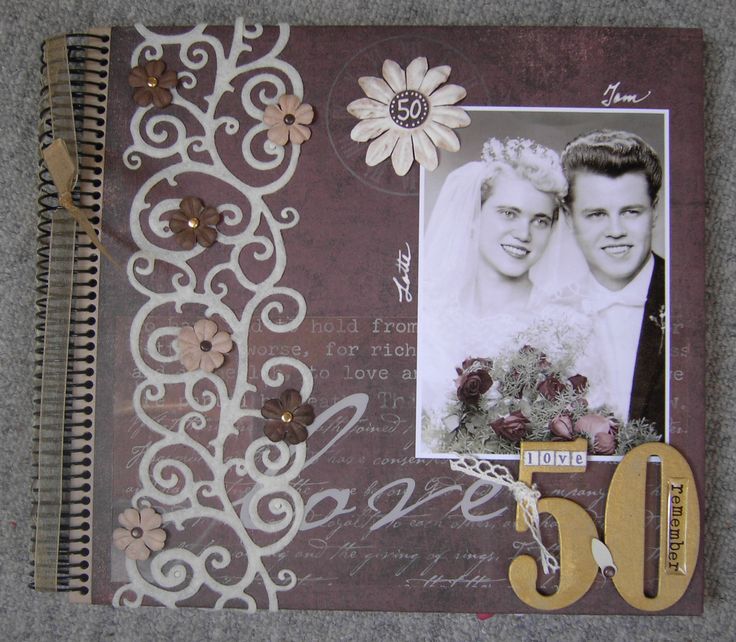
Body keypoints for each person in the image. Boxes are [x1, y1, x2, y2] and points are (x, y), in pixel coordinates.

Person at [418, 137, 570, 432]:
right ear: (475, 216)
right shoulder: (429, 317)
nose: (524, 233)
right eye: (508, 213)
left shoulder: (566, 329)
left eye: (540, 220)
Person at [561, 129, 665, 435]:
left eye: (631, 211)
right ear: (569, 218)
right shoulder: (549, 312)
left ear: (654, 211)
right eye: (596, 214)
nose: (616, 230)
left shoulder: (684, 298)